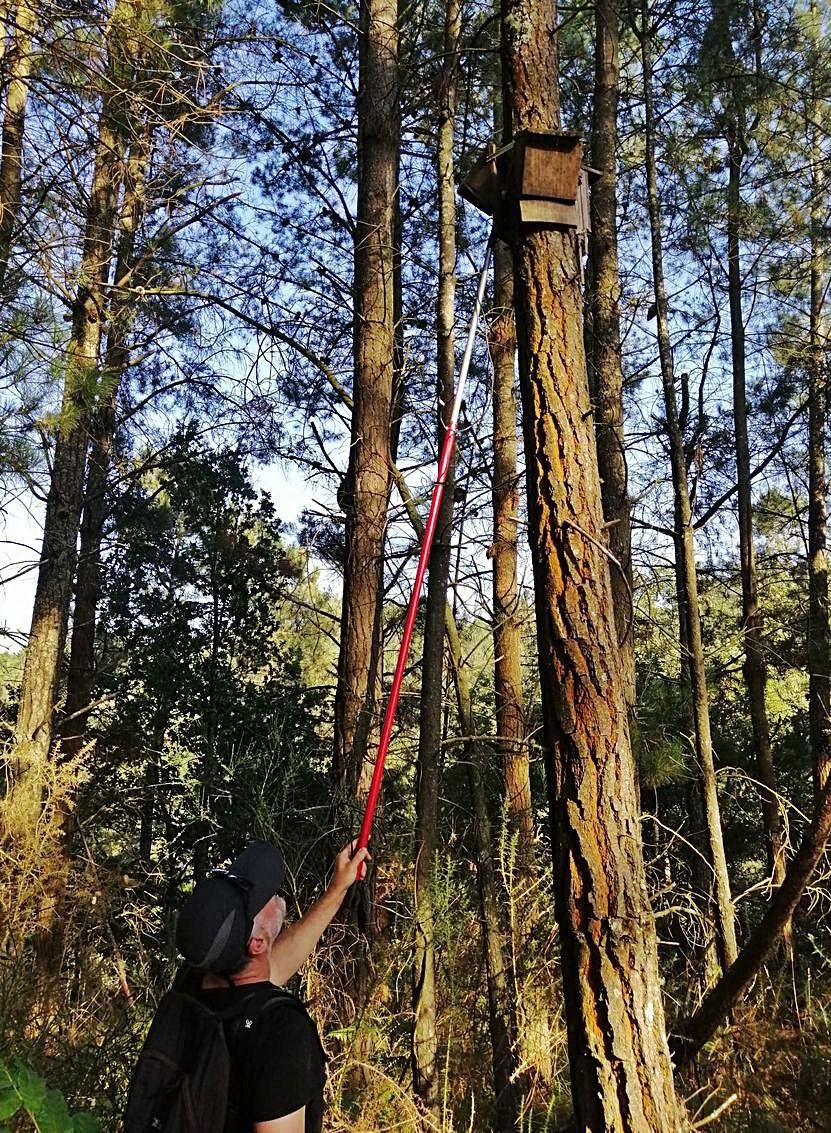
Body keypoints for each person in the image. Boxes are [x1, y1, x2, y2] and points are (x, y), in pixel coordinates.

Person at [173, 838, 370, 1133]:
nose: (270, 893)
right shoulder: (279, 1030)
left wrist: (337, 889)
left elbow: (272, 967)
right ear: (256, 944)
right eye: (260, 897)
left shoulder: (192, 989)